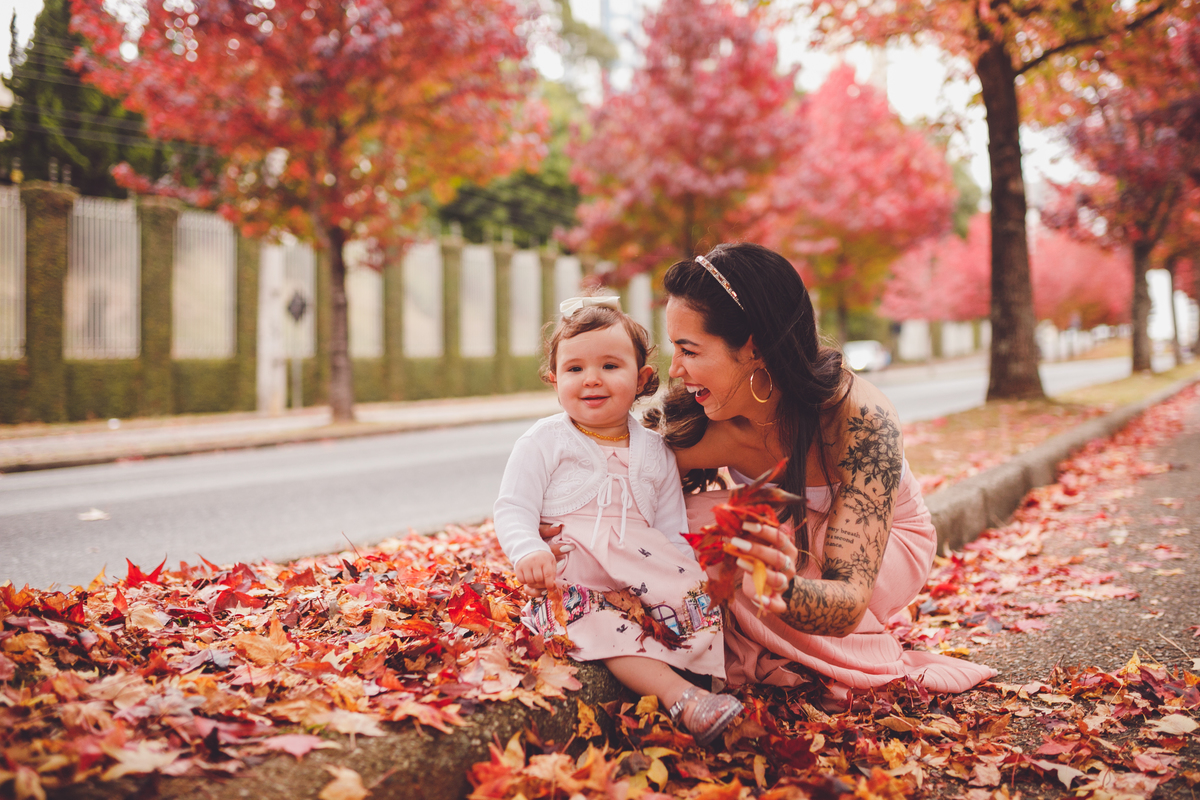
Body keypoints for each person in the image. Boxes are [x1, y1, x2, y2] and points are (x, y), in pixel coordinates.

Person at [646, 242, 997, 707]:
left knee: (734, 541)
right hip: (786, 535)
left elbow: (848, 599)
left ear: (752, 347)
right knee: (678, 527)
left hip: (884, 547)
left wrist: (785, 591)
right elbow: (620, 473)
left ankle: (847, 654)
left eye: (689, 349)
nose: (676, 369)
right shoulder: (709, 421)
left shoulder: (858, 418)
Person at [493, 295, 744, 745]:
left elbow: (670, 528)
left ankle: (716, 683)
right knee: (598, 622)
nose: (591, 379)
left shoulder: (655, 449)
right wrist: (528, 549)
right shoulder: (544, 442)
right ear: (554, 379)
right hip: (573, 581)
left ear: (642, 378)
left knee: (698, 598)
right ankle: (682, 698)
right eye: (574, 369)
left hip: (642, 573)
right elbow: (513, 507)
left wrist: (688, 575)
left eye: (610, 366)